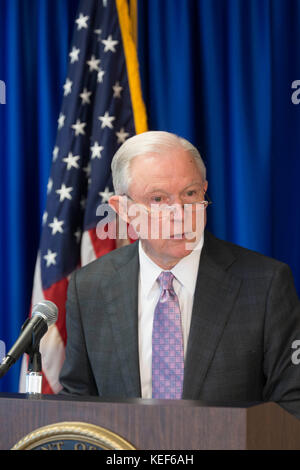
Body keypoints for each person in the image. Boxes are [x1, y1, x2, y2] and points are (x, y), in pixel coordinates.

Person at [59, 131, 300, 419]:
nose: (180, 213)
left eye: (190, 194)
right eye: (158, 199)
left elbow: (291, 406)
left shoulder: (266, 284)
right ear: (123, 210)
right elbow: (76, 403)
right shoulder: (89, 287)